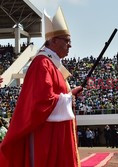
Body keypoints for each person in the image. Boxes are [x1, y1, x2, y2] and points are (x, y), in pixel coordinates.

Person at [0, 7, 82, 167]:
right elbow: (42, 101)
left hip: (55, 134)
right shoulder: (42, 63)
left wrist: (69, 96)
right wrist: (68, 98)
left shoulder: (53, 64)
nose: (70, 45)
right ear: (53, 40)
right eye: (66, 40)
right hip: (46, 137)